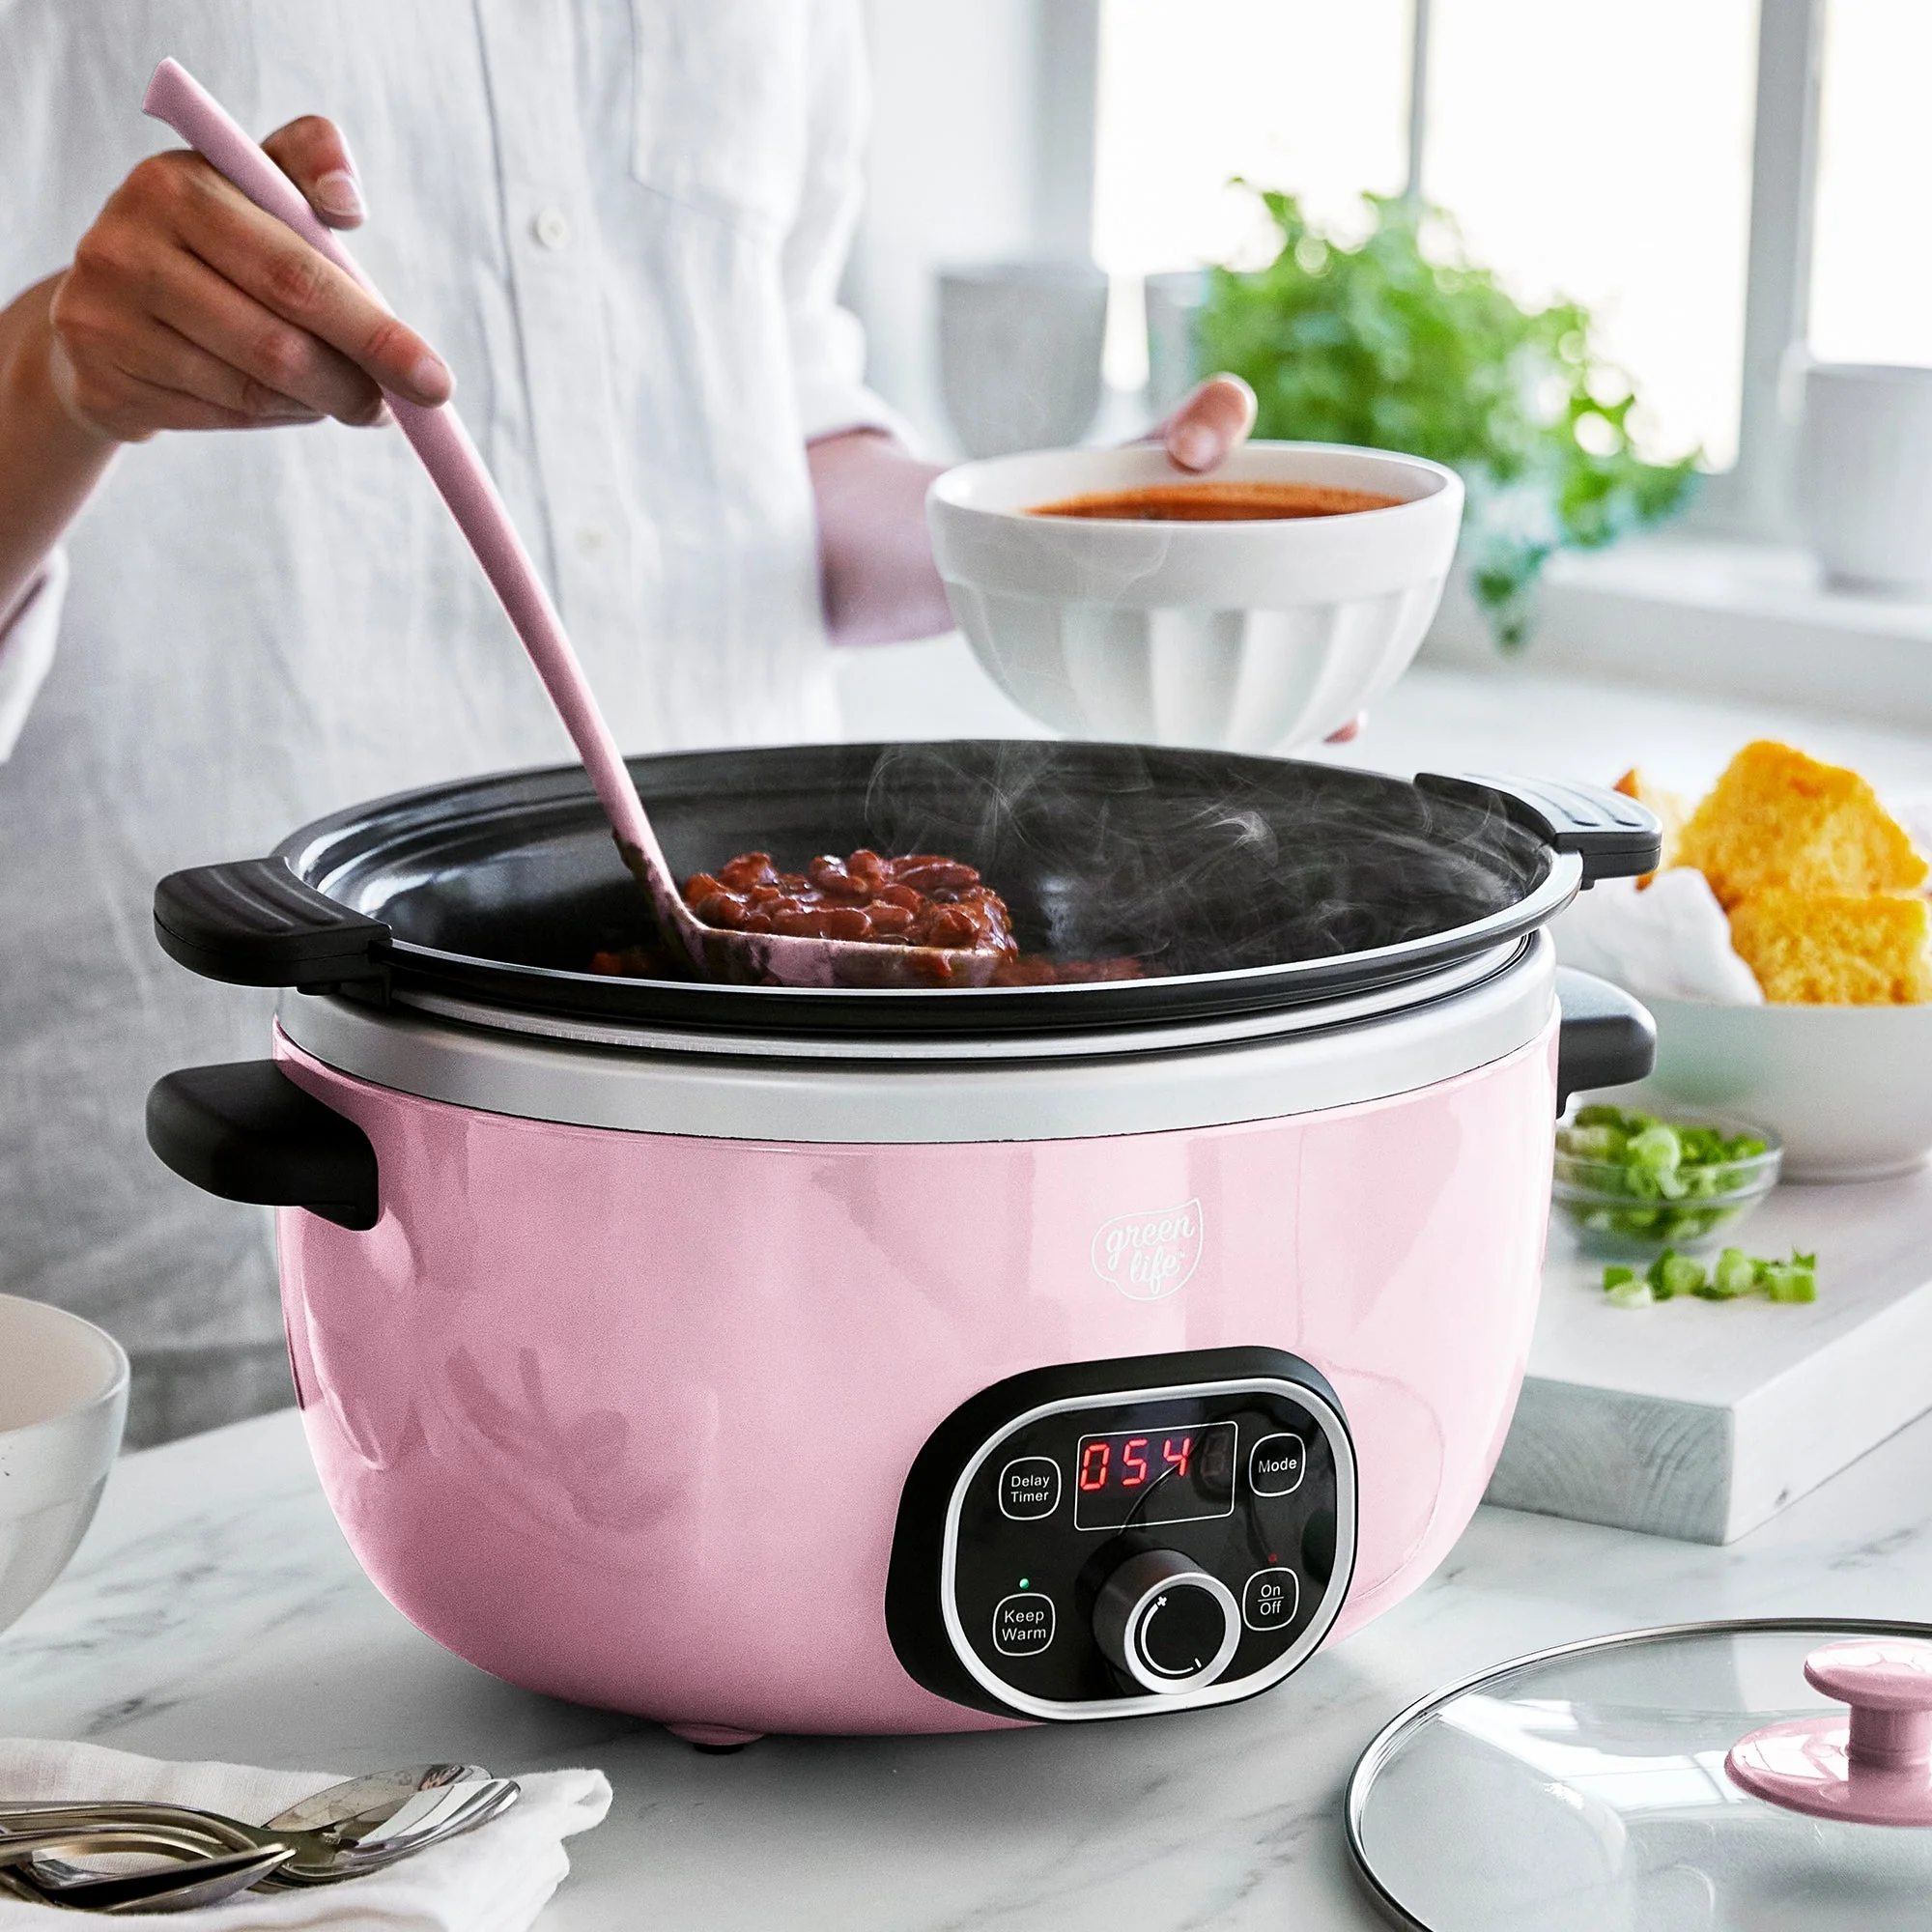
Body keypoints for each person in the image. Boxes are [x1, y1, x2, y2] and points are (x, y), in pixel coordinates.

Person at [0, 5, 1254, 1436]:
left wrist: (1070, 543)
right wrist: (54, 376)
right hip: (211, 1208)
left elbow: (774, 448)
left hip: (788, 1184)